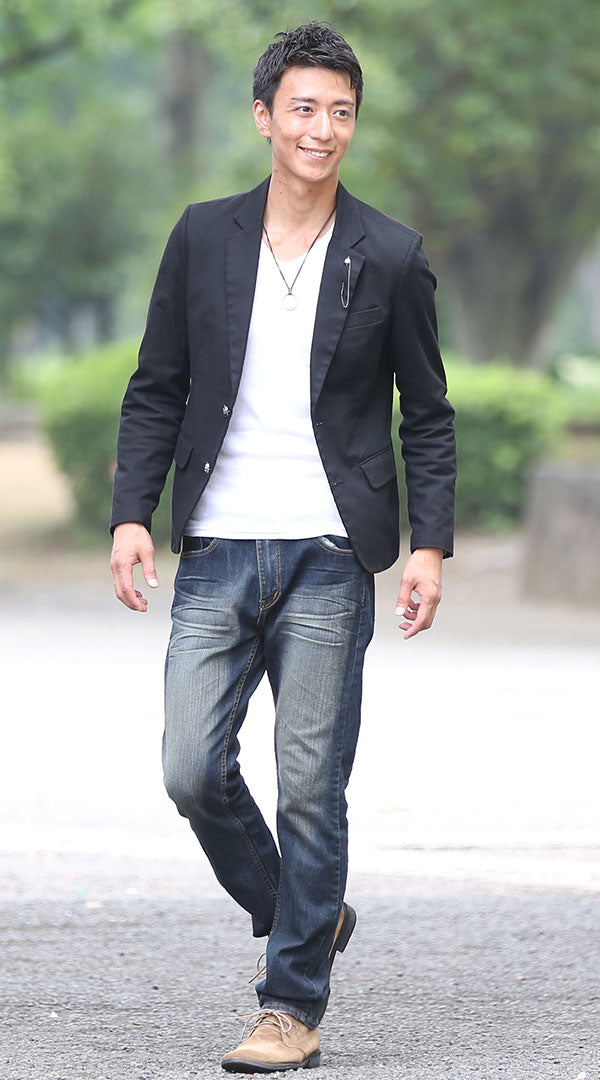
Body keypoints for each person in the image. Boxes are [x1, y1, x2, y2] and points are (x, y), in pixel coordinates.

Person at [110, 20, 456, 1074]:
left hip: (329, 552)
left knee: (311, 786)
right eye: (304, 107)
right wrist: (131, 512)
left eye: (341, 111)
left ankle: (290, 1005)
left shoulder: (388, 253)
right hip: (219, 542)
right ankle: (305, 907)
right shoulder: (202, 236)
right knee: (189, 768)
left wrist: (430, 546)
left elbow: (427, 414)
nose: (323, 128)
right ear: (264, 117)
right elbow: (157, 385)